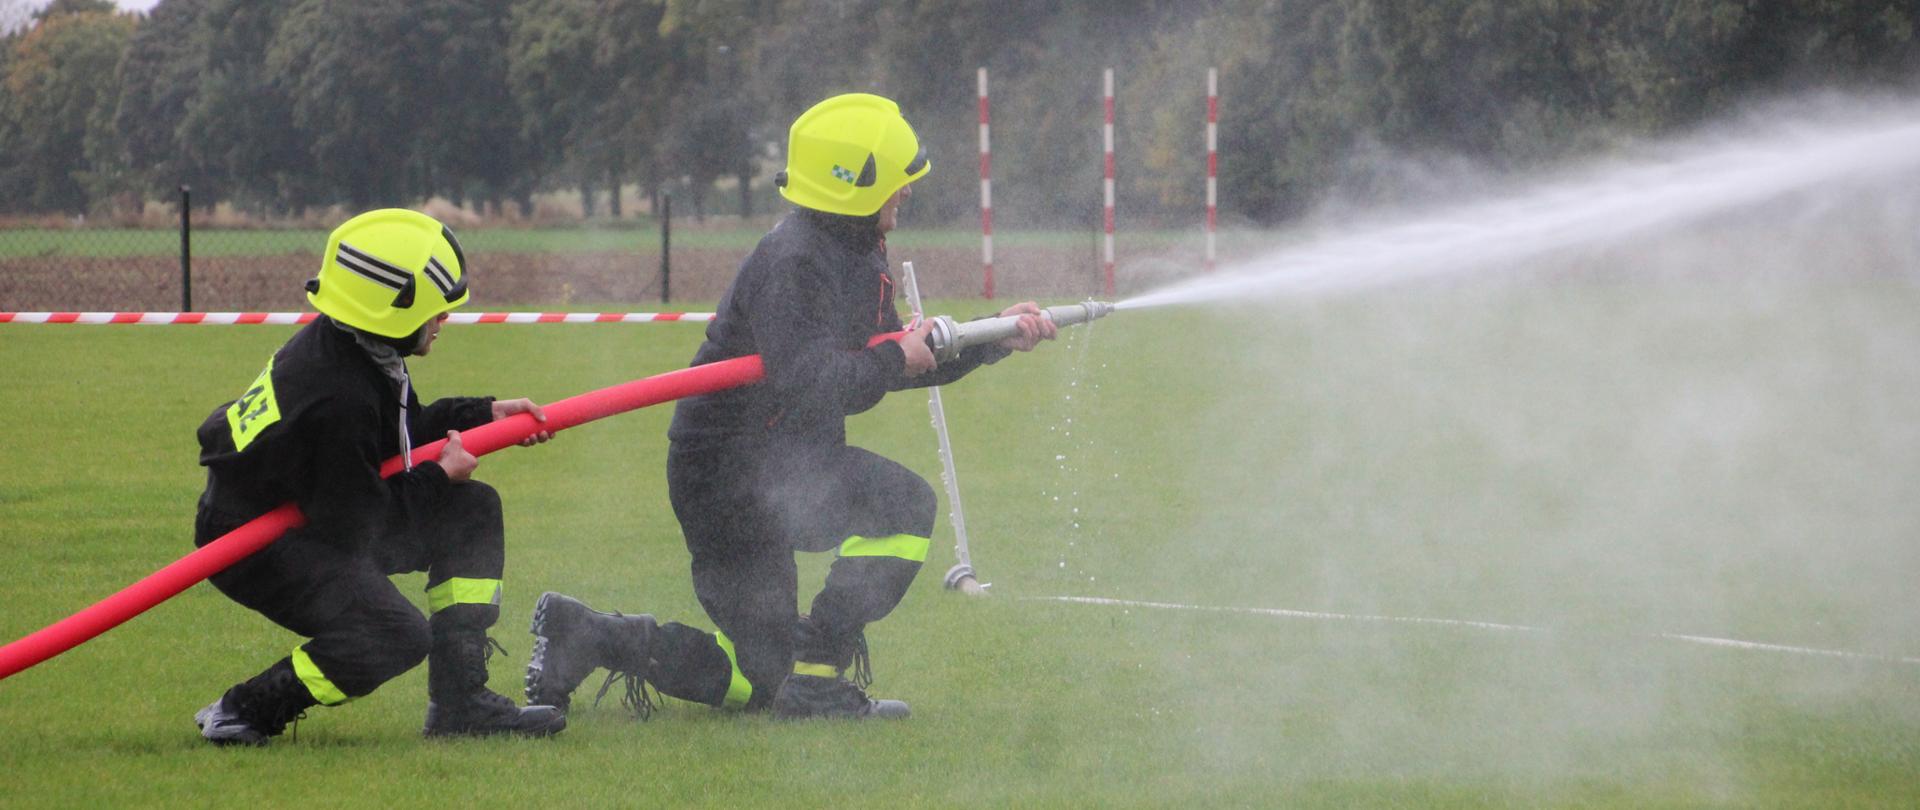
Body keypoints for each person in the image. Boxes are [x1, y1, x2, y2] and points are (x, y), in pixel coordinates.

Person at [525, 93, 1056, 720]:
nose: (908, 192)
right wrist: (895, 358)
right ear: (855, 183)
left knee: (775, 662)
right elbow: (815, 381)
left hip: (789, 464)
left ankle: (795, 672)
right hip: (726, 478)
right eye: (898, 180)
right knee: (772, 661)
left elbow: (892, 358)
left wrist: (994, 336)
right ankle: (609, 639)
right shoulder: (794, 262)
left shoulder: (857, 248)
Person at [190, 209, 565, 745]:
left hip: (313, 512)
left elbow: (395, 437)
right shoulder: (337, 393)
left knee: (472, 510)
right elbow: (367, 526)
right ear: (392, 311)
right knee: (393, 633)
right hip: (255, 544)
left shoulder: (358, 347)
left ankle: (461, 703)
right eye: (437, 311)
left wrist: (483, 414)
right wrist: (438, 476)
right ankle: (244, 710)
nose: (444, 321)